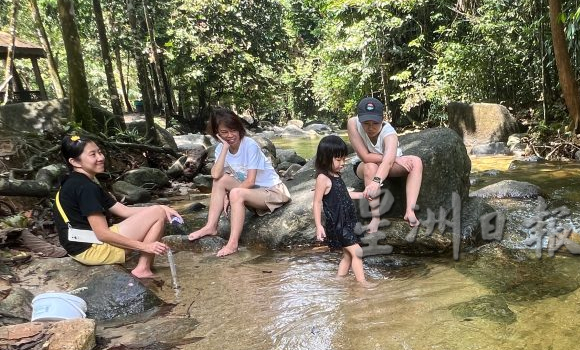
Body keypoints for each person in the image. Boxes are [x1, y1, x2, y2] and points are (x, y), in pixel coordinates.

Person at [53, 134, 180, 279]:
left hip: (81, 244)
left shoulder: (76, 180)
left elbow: (123, 210)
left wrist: (163, 208)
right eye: (92, 154)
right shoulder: (86, 187)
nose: (100, 157)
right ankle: (142, 269)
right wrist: (145, 246)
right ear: (75, 162)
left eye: (99, 152)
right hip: (91, 250)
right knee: (157, 213)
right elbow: (102, 233)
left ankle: (144, 267)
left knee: (157, 212)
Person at [188, 108, 291, 257]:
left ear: (239, 129)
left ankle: (233, 243)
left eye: (233, 130)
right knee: (220, 181)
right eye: (224, 132)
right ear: (217, 133)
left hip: (273, 192)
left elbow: (250, 181)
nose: (230, 135)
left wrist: (230, 195)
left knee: (236, 193)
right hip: (253, 192)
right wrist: (224, 148)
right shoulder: (220, 149)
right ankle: (211, 226)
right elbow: (216, 174)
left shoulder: (249, 145)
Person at [346, 96, 423, 231]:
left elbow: (387, 163)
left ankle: (410, 211)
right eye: (366, 123)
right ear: (359, 119)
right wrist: (391, 157)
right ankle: (375, 218)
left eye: (375, 123)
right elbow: (365, 156)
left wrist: (389, 160)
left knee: (416, 162)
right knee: (371, 166)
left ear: (382, 119)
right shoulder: (353, 123)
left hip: (388, 165)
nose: (370, 128)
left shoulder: (389, 133)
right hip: (364, 164)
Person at [312, 135, 368, 284]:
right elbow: (317, 202)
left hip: (347, 222)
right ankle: (363, 284)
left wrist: (362, 195)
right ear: (325, 158)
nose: (342, 163)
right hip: (338, 224)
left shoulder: (336, 175)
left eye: (344, 159)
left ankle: (339, 281)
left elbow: (344, 194)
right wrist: (318, 225)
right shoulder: (322, 178)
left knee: (348, 255)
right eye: (338, 160)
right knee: (357, 252)